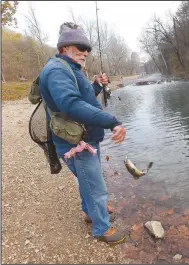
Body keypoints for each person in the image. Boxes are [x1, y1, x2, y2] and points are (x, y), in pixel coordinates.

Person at [39, 22, 126, 245]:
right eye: (79, 46)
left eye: (87, 47)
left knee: (88, 181)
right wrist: (112, 121)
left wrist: (95, 86)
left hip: (84, 138)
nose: (85, 51)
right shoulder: (57, 69)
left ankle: (90, 212)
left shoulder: (70, 69)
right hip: (77, 143)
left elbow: (82, 99)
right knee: (95, 186)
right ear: (63, 47)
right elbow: (71, 104)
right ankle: (102, 229)